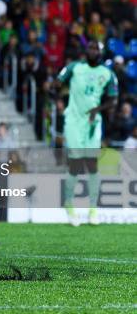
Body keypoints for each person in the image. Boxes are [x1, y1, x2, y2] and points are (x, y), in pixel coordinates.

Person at [57, 41, 118, 226]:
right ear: (86, 51)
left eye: (96, 48)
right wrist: (56, 96)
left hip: (93, 122)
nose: (93, 51)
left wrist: (97, 109)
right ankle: (68, 204)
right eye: (90, 48)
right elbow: (55, 83)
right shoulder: (75, 68)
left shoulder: (108, 74)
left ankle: (93, 209)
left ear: (101, 52)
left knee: (92, 165)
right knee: (75, 163)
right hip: (74, 121)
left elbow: (113, 99)